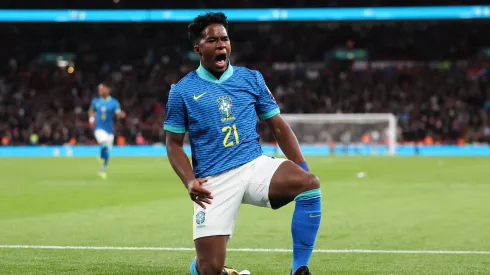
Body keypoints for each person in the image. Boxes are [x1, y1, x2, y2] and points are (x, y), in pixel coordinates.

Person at [164, 12, 322, 275]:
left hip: (253, 165)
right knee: (209, 270)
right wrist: (189, 181)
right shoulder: (181, 91)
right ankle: (207, 266)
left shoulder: (251, 79)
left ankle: (299, 268)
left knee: (309, 185)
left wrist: (302, 166)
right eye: (212, 40)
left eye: (224, 38)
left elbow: (278, 126)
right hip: (213, 182)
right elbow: (173, 144)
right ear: (198, 48)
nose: (221, 45)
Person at [88, 82, 125, 179]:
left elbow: (117, 113)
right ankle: (101, 156)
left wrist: (121, 115)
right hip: (99, 128)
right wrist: (91, 119)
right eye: (99, 89)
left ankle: (103, 169)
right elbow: (91, 110)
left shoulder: (114, 102)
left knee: (107, 152)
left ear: (108, 90)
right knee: (103, 143)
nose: (100, 91)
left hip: (109, 130)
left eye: (102, 89)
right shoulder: (96, 101)